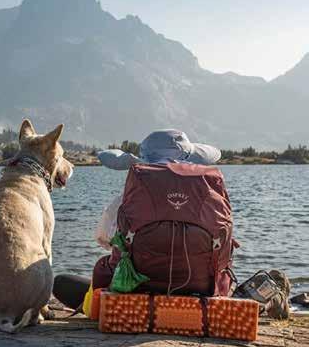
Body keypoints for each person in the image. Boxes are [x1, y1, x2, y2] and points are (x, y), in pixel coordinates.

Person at [53, 129, 223, 311]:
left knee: (61, 283)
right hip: (201, 288)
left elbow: (103, 238)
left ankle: (117, 308)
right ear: (191, 159)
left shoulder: (129, 196)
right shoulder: (210, 192)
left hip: (135, 290)